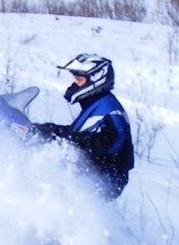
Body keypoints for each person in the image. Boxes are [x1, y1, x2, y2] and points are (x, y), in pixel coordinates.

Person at [30, 53, 134, 199]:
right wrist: (48, 130)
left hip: (99, 182)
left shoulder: (110, 110)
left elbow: (108, 144)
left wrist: (62, 136)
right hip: (86, 176)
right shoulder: (96, 104)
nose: (74, 84)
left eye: (79, 79)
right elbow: (82, 134)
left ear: (96, 79)